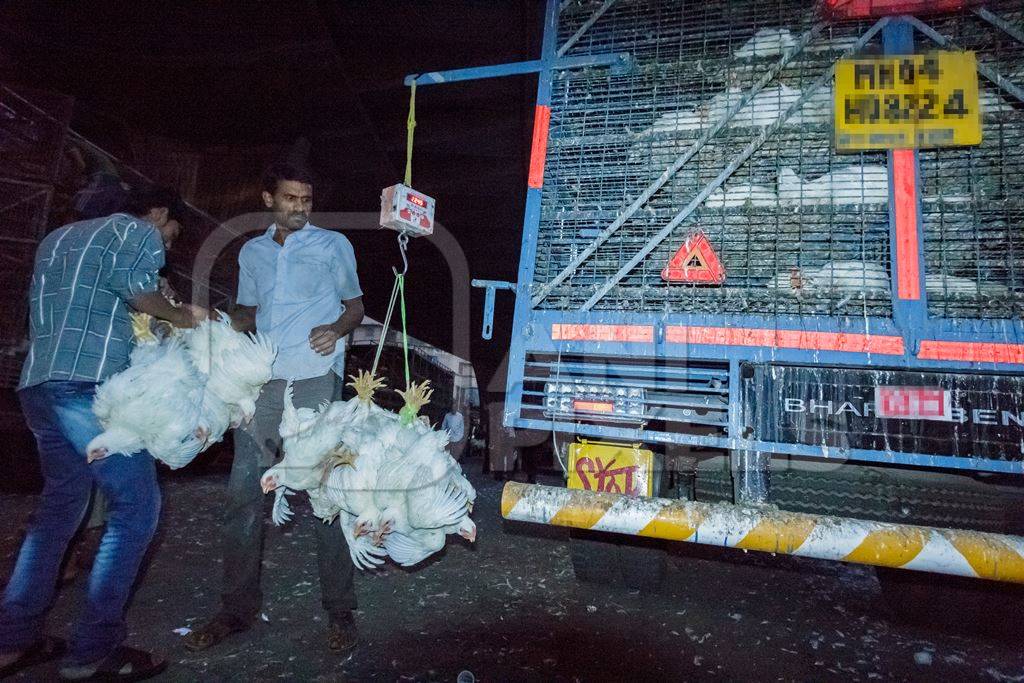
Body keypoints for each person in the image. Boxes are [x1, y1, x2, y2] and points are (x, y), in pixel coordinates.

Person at [0, 186, 207, 681]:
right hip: (85, 389)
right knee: (136, 508)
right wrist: (184, 316)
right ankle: (92, 651)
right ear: (159, 213)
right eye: (172, 235)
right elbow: (137, 291)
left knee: (58, 510)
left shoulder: (56, 238)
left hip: (38, 386)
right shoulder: (134, 229)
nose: (168, 247)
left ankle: (12, 641)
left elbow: (101, 303)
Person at [185, 162, 365, 655]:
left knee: (324, 494)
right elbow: (248, 313)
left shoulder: (333, 246)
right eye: (290, 198)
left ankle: (340, 609)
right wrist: (214, 322)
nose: (300, 208)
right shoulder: (253, 252)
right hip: (263, 383)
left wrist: (337, 329)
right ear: (269, 200)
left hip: (313, 378)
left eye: (306, 199)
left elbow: (355, 306)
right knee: (244, 492)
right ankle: (235, 609)